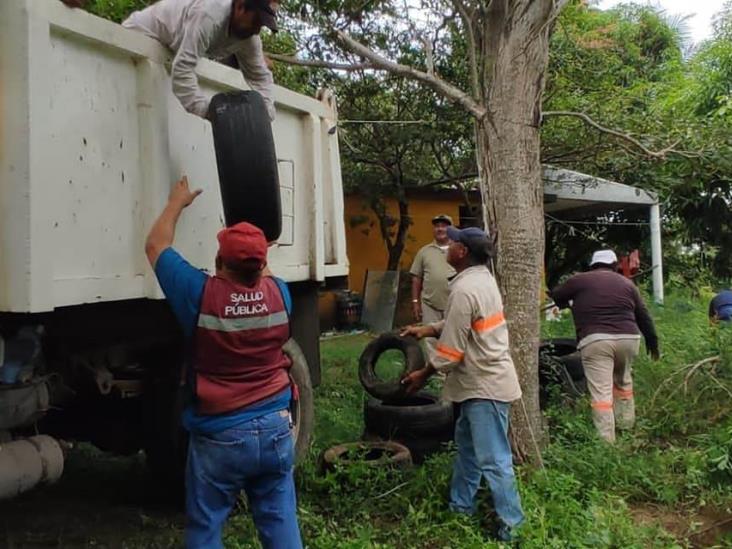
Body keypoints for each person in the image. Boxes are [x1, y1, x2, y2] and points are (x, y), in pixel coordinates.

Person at [145, 176, 302, 549]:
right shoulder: (281, 295)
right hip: (278, 425)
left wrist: (177, 202)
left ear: (218, 261)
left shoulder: (200, 296)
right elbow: (260, 276)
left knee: (206, 525)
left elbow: (155, 245)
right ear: (262, 264)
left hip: (222, 434)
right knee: (280, 520)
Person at [401, 226, 524, 542]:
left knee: (494, 460)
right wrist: (427, 329)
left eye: (453, 242)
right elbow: (462, 320)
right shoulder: (481, 280)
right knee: (468, 452)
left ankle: (513, 528)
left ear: (463, 252)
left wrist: (423, 374)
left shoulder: (465, 289)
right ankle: (459, 511)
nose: (448, 245)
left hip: (485, 387)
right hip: (476, 385)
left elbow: (451, 351)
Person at [61, 0, 277, 121]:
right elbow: (182, 71)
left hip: (166, 53)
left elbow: (260, 78)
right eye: (257, 20)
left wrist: (265, 116)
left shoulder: (249, 38)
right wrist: (211, 113)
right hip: (138, 39)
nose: (258, 28)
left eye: (263, 24)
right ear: (240, 6)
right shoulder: (209, 16)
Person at [549, 249, 659, 443]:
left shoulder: (579, 280)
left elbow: (556, 295)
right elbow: (643, 315)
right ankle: (626, 428)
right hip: (629, 339)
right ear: (615, 265)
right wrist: (652, 341)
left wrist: (568, 302)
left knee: (601, 393)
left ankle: (606, 443)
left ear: (592, 265)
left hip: (596, 340)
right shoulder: (627, 284)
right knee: (623, 383)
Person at [409, 214, 456, 358]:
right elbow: (416, 278)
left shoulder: (458, 249)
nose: (440, 229)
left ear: (451, 228)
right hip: (430, 304)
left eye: (444, 225)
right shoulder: (424, 252)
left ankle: (452, 368)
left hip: (453, 302)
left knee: (453, 337)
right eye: (437, 226)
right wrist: (416, 302)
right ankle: (435, 373)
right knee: (431, 339)